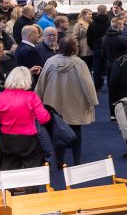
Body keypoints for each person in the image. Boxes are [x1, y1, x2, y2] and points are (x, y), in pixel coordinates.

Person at [36, 37, 97, 166]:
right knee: (76, 132)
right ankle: (77, 160)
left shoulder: (50, 62)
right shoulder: (79, 64)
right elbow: (88, 85)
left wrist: (37, 98)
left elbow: (41, 83)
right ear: (74, 48)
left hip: (53, 105)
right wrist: (92, 101)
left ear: (60, 47)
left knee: (57, 133)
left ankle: (59, 161)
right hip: (75, 105)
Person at [0, 66, 51, 170]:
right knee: (33, 171)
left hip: (6, 140)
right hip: (29, 141)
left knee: (9, 172)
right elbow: (44, 118)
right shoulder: (31, 96)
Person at [87, 5, 111, 90]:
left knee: (96, 69)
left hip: (96, 48)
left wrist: (92, 46)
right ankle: (109, 85)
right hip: (107, 48)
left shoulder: (92, 24)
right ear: (106, 11)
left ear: (97, 11)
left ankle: (97, 86)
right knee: (108, 67)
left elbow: (89, 37)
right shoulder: (109, 22)